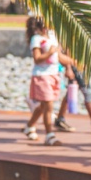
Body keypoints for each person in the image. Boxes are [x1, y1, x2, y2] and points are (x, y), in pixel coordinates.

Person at [23, 14, 64, 145]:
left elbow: (59, 57)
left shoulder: (52, 37)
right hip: (42, 76)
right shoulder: (36, 39)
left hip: (54, 75)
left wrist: (73, 63)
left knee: (43, 106)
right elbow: (37, 59)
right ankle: (50, 135)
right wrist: (49, 53)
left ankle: (29, 126)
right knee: (48, 105)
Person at [55, 63, 91, 134]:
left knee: (71, 93)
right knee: (87, 92)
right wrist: (68, 68)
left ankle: (60, 120)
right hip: (75, 67)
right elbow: (68, 56)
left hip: (79, 67)